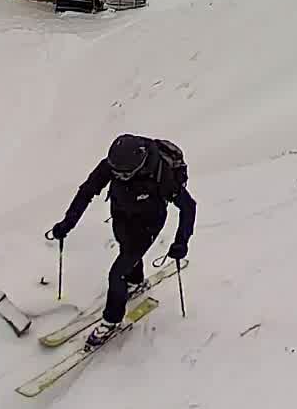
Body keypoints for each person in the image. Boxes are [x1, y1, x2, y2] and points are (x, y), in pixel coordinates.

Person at [47, 133, 195, 345]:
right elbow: (86, 192)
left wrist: (181, 241)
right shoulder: (113, 164)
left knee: (117, 273)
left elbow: (188, 207)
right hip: (121, 216)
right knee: (126, 249)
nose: (117, 176)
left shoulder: (160, 173)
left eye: (124, 174)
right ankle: (136, 282)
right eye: (115, 172)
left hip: (149, 223)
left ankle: (111, 320)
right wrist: (67, 224)